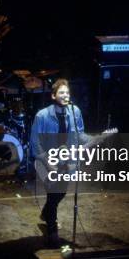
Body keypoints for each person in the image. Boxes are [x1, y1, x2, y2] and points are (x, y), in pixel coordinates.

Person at [30, 79, 86, 248]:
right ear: (54, 96)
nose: (65, 95)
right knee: (53, 193)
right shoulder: (42, 115)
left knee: (61, 193)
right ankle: (52, 230)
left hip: (66, 160)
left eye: (67, 93)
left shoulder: (75, 111)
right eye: (61, 92)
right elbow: (35, 141)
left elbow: (80, 134)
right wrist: (47, 162)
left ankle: (46, 213)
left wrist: (96, 139)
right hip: (47, 161)